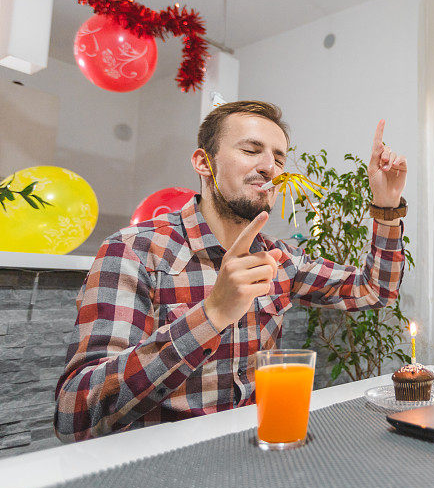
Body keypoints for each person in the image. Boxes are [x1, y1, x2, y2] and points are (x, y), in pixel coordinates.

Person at [54, 101, 408, 442]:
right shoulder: (135, 251)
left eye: (278, 157)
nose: (270, 166)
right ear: (203, 163)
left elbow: (375, 290)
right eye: (252, 150)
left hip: (256, 455)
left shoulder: (279, 259)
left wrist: (386, 205)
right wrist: (212, 314)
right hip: (164, 470)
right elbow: (75, 415)